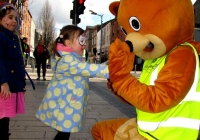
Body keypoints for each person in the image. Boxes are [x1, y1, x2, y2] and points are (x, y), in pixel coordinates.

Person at [35, 25, 109, 140]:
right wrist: (113, 70)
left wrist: (110, 65)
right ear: (68, 43)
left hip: (66, 103)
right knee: (63, 134)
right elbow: (90, 69)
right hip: (64, 106)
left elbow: (89, 68)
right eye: (81, 41)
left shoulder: (71, 58)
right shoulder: (68, 60)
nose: (84, 44)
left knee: (63, 134)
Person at [0, 2, 26, 139]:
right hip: (4, 87)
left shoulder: (12, 37)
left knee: (5, 121)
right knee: (2, 123)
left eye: (16, 18)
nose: (14, 21)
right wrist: (3, 82)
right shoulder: (2, 36)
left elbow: (16, 63)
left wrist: (21, 84)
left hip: (10, 85)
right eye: (10, 17)